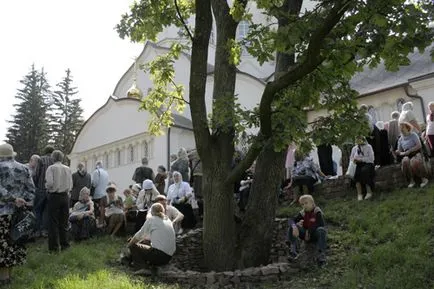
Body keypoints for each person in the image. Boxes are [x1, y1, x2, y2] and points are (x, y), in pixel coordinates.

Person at [0, 143, 35, 285]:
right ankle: (8, 277)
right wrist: (23, 201)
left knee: (2, 245)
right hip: (19, 214)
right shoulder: (24, 168)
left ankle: (3, 279)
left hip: (2, 213)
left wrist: (13, 199)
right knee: (14, 243)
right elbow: (32, 190)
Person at [127, 203, 176, 267]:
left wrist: (129, 244)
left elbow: (139, 235)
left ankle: (141, 266)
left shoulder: (152, 219)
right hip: (168, 257)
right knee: (144, 242)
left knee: (133, 245)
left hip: (159, 255)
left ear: (152, 212)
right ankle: (147, 263)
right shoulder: (168, 220)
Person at [286, 194, 327, 266]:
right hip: (305, 234)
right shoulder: (303, 212)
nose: (304, 206)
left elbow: (320, 224)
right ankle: (293, 251)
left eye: (306, 203)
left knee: (321, 230)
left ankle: (321, 255)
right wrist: (295, 226)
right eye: (302, 204)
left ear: (312, 203)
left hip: (314, 234)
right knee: (292, 227)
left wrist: (309, 231)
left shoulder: (317, 211)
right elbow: (291, 220)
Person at [45, 150, 73, 253]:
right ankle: (65, 244)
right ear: (61, 158)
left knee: (53, 222)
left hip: (54, 196)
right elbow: (70, 184)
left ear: (53, 158)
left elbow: (50, 183)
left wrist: (47, 188)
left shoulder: (51, 168)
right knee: (64, 222)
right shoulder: (68, 169)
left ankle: (54, 248)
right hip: (65, 196)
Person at [395, 122, 429, 188]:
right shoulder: (400, 139)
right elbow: (399, 151)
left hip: (415, 152)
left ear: (407, 128)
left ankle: (424, 179)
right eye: (400, 128)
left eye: (403, 127)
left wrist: (410, 150)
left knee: (414, 161)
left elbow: (419, 145)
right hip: (406, 154)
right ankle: (411, 181)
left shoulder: (413, 135)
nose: (401, 129)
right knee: (405, 162)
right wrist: (398, 152)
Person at [33, 145, 54, 238]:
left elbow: (36, 174)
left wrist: (36, 185)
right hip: (51, 190)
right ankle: (45, 231)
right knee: (46, 211)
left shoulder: (41, 159)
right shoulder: (54, 161)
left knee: (38, 210)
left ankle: (37, 231)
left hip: (41, 188)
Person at [350, 136, 375, 201]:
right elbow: (351, 158)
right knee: (356, 173)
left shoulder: (368, 147)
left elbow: (371, 159)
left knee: (365, 171)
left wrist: (361, 160)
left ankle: (369, 191)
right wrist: (354, 160)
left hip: (368, 163)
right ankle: (359, 194)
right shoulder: (354, 148)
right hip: (358, 164)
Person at [91, 161, 109, 227]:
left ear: (97, 165)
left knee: (96, 209)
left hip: (97, 194)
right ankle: (102, 223)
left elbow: (95, 183)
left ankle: (97, 224)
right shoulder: (106, 172)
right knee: (102, 209)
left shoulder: (96, 172)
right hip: (104, 194)